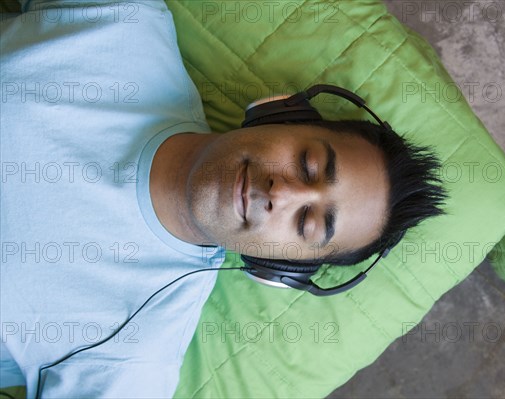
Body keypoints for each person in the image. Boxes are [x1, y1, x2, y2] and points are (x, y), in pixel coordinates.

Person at [0, 0, 446, 397]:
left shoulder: (132, 358)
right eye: (308, 163)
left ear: (279, 270)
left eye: (307, 222)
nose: (283, 193)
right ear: (279, 112)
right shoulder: (125, 20)